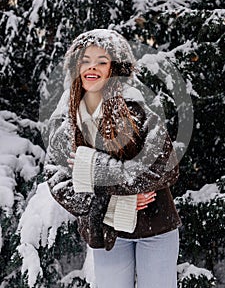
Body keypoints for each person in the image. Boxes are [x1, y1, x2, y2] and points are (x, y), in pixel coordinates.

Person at [45, 29, 182, 288]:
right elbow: (57, 179)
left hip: (155, 227)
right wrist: (116, 198)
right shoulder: (66, 120)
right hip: (106, 232)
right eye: (85, 60)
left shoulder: (137, 109)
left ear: (115, 67)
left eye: (101, 61)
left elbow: (166, 168)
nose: (92, 67)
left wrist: (95, 170)